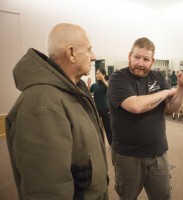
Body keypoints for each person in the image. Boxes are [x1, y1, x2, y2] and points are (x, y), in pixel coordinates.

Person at [5, 23, 109, 200]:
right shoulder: (42, 104)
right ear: (71, 53)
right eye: (89, 50)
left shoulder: (74, 91)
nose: (93, 57)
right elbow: (47, 190)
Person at [108, 37, 183, 200]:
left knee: (163, 196)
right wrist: (165, 92)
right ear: (130, 55)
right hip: (128, 155)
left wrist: (181, 88)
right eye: (137, 57)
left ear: (152, 61)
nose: (140, 63)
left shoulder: (158, 77)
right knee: (127, 196)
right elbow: (135, 106)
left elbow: (172, 108)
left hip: (158, 153)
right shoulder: (118, 78)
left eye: (146, 59)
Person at [88, 68, 112, 146]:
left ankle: (111, 144)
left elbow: (110, 88)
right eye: (96, 73)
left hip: (106, 110)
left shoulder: (107, 84)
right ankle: (99, 144)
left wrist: (103, 79)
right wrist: (88, 85)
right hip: (97, 109)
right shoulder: (94, 85)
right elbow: (88, 93)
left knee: (108, 128)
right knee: (96, 127)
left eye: (98, 73)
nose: (96, 75)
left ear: (103, 74)